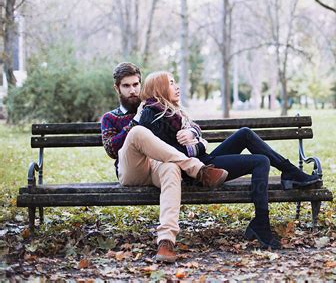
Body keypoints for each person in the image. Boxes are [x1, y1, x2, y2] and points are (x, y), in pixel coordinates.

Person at [138, 71, 322, 249]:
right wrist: (198, 143)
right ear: (159, 88)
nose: (177, 86)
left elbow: (197, 133)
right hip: (196, 172)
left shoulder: (173, 111)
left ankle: (288, 172)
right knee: (261, 161)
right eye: (170, 83)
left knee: (245, 133)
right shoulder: (151, 114)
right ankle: (262, 223)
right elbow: (169, 152)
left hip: (204, 161)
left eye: (175, 82)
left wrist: (193, 134)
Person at [100, 62, 229, 263]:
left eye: (136, 84)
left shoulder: (153, 105)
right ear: (117, 88)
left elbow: (185, 119)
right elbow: (111, 149)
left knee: (171, 167)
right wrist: (136, 122)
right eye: (127, 86)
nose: (133, 90)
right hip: (132, 170)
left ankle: (166, 242)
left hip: (158, 165)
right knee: (138, 132)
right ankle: (197, 169)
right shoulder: (110, 118)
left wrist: (192, 132)